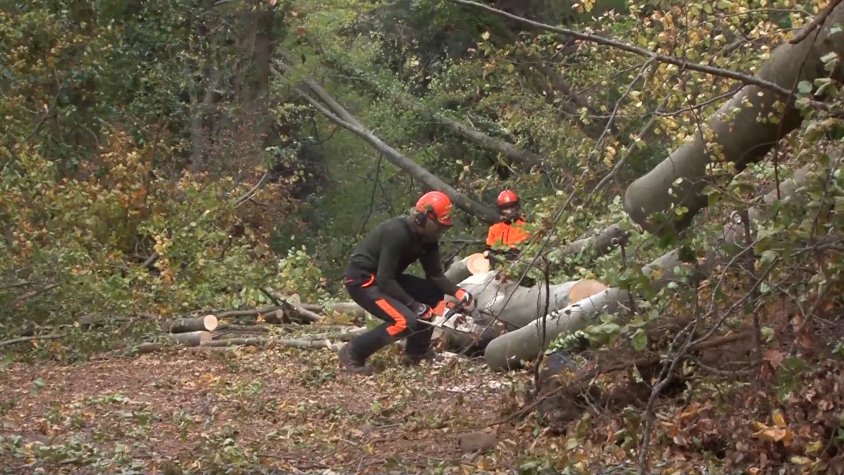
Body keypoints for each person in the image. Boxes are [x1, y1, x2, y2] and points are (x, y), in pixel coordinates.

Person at [338, 191, 476, 375]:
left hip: (386, 279)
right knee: (405, 321)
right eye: (439, 226)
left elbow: (435, 276)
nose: (441, 231)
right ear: (423, 218)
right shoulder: (396, 232)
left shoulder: (429, 241)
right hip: (363, 281)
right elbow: (385, 278)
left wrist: (459, 293)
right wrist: (414, 305)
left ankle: (417, 353)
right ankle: (352, 352)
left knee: (433, 294)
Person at [485, 189, 530, 264]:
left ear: (517, 207)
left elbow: (523, 249)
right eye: (506, 208)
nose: (510, 211)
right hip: (498, 263)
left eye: (512, 206)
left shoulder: (525, 227)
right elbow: (489, 249)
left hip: (519, 262)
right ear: (501, 210)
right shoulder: (494, 228)